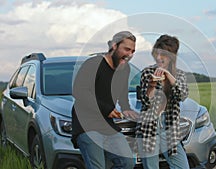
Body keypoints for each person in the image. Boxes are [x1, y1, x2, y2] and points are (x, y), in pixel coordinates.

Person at [72, 31, 139, 169]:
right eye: (126, 49)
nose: (130, 55)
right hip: (87, 124)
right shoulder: (93, 64)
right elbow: (79, 91)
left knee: (127, 163)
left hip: (107, 125)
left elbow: (122, 91)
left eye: (133, 51)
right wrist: (106, 109)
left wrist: (125, 107)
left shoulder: (124, 68)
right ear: (114, 46)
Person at [137, 34, 190, 169]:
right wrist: (152, 85)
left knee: (182, 166)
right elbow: (145, 101)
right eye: (157, 54)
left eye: (164, 55)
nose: (159, 58)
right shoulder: (148, 72)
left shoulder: (179, 75)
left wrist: (169, 77)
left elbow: (182, 95)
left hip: (170, 128)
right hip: (149, 127)